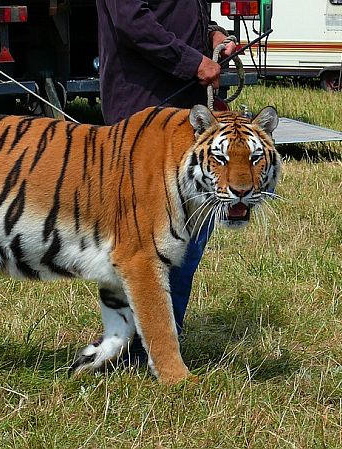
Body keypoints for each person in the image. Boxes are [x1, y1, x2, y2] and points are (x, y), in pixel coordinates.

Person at [95, 0, 237, 362]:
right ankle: (143, 344)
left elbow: (179, 14)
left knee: (187, 237)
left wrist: (213, 35)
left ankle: (154, 337)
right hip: (143, 109)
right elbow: (131, 20)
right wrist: (194, 62)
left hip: (182, 112)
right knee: (148, 243)